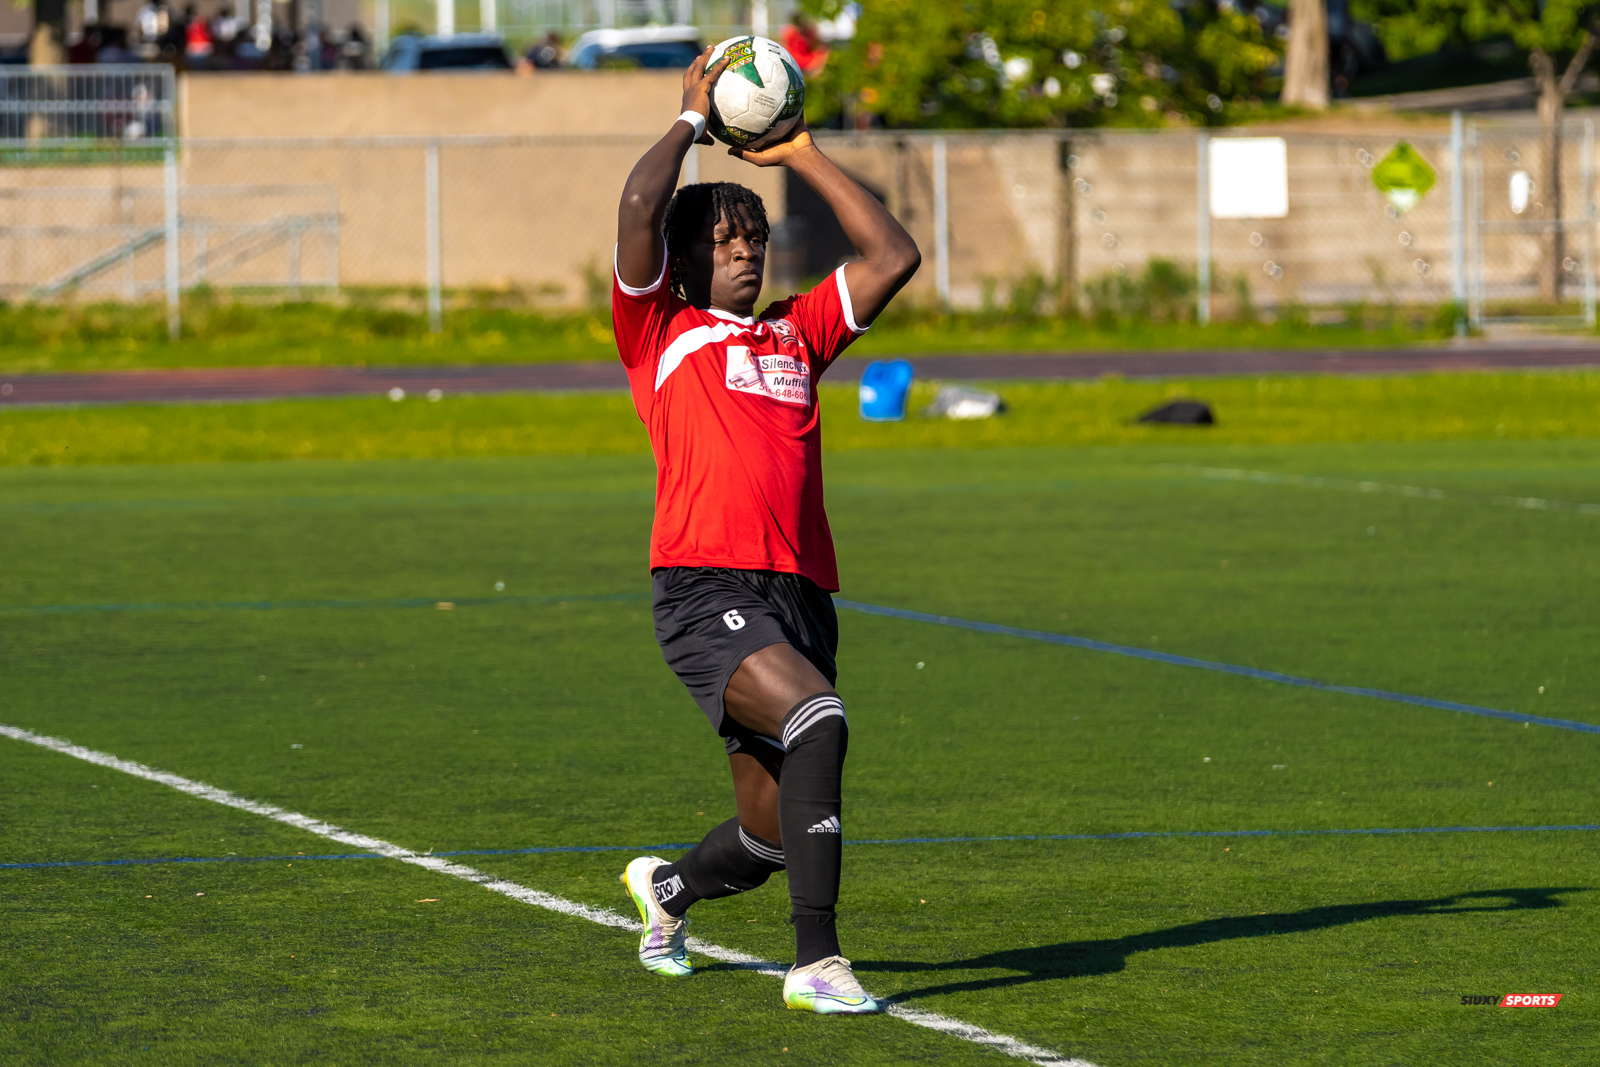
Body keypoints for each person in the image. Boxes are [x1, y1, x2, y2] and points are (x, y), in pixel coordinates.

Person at [613, 49, 919, 1014]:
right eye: (724, 238)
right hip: (707, 586)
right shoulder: (659, 331)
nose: (745, 250)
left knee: (770, 833)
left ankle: (669, 889)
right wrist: (692, 118)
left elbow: (893, 258)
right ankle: (817, 960)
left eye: (755, 236)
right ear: (687, 258)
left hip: (799, 591)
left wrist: (805, 153)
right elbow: (635, 208)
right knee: (818, 718)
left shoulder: (798, 332)